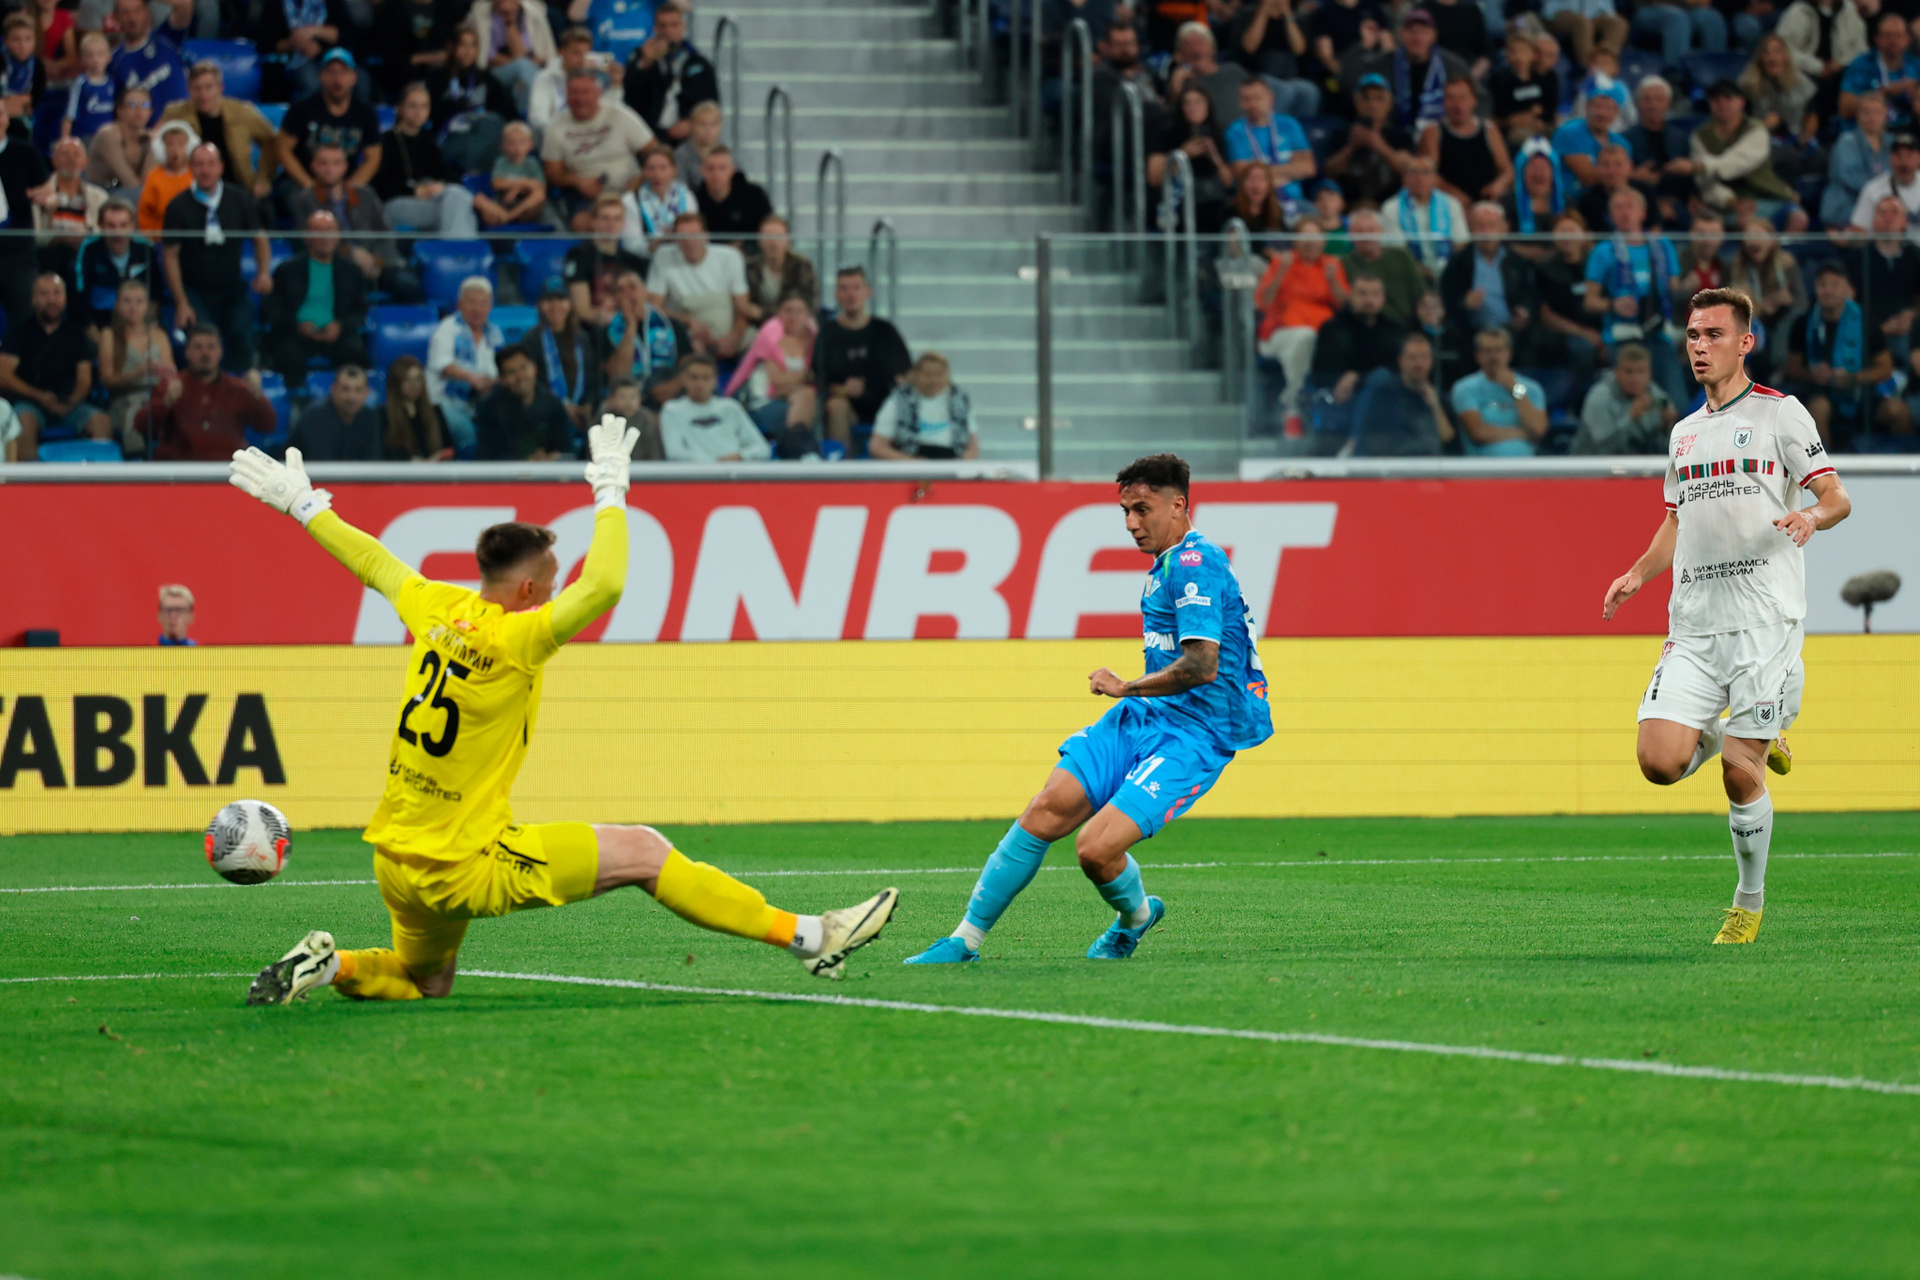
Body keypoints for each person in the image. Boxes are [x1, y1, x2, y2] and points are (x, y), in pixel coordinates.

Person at [230, 420, 899, 1005]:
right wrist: (611, 488)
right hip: (462, 863)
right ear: (528, 590)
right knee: (643, 851)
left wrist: (304, 505)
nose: (557, 595)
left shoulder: (432, 604)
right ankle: (812, 937)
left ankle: (331, 965)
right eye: (551, 584)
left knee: (425, 981)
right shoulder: (517, 639)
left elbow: (374, 563)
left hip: (395, 860)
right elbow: (604, 585)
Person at [903, 453, 1270, 965]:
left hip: (1196, 733)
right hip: (1149, 716)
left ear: (1178, 505)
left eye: (1142, 510)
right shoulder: (1167, 563)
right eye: (1125, 511)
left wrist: (1126, 687)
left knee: (1095, 849)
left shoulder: (1195, 563)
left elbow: (1202, 665)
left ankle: (1135, 919)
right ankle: (963, 941)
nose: (1131, 523)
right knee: (1046, 808)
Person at [1600, 286, 1852, 945]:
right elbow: (1675, 522)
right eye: (1692, 335)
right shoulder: (1683, 433)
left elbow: (1836, 496)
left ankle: (1747, 901)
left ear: (1745, 343)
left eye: (1713, 334)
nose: (1700, 346)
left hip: (1764, 620)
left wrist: (1810, 515)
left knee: (1741, 772)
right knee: (1658, 761)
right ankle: (1735, 732)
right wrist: (1637, 573)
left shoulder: (1781, 414)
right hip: (1693, 622)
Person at [161, 144, 271, 374]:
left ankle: (240, 388)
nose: (205, 170)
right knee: (202, 344)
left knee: (243, 336)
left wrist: (263, 272)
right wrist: (181, 302)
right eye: (199, 164)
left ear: (221, 167)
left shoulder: (240, 198)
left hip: (232, 288)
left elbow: (260, 239)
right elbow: (170, 256)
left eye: (211, 163)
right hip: (195, 291)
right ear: (191, 168)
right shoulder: (177, 206)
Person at [1583, 187, 1686, 404]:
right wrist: (1613, 305)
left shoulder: (1663, 246)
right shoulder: (1602, 251)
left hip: (1659, 333)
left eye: (1630, 206)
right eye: (1618, 208)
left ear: (1643, 213)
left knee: (1676, 402)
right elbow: (1590, 301)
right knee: (1631, 400)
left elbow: (1674, 292)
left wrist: (1687, 289)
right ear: (1611, 216)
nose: (1624, 212)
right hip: (1623, 335)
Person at [289, 142, 425, 304]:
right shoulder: (303, 201)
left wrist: (376, 260)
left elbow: (385, 233)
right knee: (349, 287)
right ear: (313, 166)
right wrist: (349, 253)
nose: (330, 169)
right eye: (323, 163)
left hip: (377, 264)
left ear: (345, 167)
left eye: (336, 163)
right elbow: (308, 243)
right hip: (338, 267)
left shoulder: (366, 195)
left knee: (408, 285)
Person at [1784, 262, 1896, 447]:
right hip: (1819, 391)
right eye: (1822, 284)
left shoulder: (1867, 321)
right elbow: (1792, 368)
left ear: (1847, 289)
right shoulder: (1803, 323)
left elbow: (1886, 368)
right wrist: (1813, 375)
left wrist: (1854, 377)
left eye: (1835, 285)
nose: (1828, 291)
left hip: (1861, 393)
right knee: (1818, 408)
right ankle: (1823, 462)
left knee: (1896, 411)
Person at [0, 272, 106, 460]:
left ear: (65, 298)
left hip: (70, 404)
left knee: (101, 421)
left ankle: (100, 476)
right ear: (33, 299)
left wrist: (70, 402)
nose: (51, 300)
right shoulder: (18, 333)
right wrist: (39, 397)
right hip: (30, 403)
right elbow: (4, 375)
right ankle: (31, 477)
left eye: (56, 293)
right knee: (23, 423)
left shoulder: (78, 335)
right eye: (44, 294)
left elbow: (84, 379)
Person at [1256, 217, 1348, 432]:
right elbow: (1263, 303)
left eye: (1315, 236)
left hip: (1321, 336)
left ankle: (1294, 409)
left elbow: (1345, 306)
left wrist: (1333, 281)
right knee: (1304, 337)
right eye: (1305, 236)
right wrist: (1280, 273)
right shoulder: (1281, 262)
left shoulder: (1332, 265)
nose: (1310, 242)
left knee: (1309, 341)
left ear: (1324, 241)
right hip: (1278, 334)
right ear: (1295, 240)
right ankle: (1296, 400)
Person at [138, 325, 275, 460]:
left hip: (226, 468)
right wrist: (166, 402)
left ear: (220, 352)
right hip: (181, 469)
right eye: (198, 347)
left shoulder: (237, 389)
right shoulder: (171, 387)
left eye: (211, 347)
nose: (205, 353)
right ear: (187, 352)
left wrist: (257, 396)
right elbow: (142, 427)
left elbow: (268, 426)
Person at [264, 210, 370, 384]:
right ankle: (297, 398)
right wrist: (297, 325)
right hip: (296, 334)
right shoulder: (287, 270)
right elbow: (272, 309)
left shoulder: (352, 272)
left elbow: (360, 310)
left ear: (338, 235)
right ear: (307, 236)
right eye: (318, 230)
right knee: (287, 355)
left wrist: (340, 326)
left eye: (329, 230)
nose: (325, 236)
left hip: (338, 335)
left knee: (355, 353)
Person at [816, 265, 912, 451]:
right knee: (836, 406)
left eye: (856, 287)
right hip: (846, 407)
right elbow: (820, 380)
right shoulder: (827, 334)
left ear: (868, 292)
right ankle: (842, 463)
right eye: (844, 288)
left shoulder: (885, 331)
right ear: (836, 295)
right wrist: (843, 390)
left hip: (883, 405)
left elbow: (904, 373)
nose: (850, 294)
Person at [542, 70, 654, 228]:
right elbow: (552, 173)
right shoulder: (555, 127)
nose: (580, 98)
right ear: (566, 95)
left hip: (631, 190)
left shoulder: (620, 115)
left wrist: (640, 179)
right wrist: (577, 181)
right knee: (582, 223)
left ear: (598, 93)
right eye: (574, 92)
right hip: (588, 197)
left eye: (586, 92)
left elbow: (655, 152)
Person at [372, 80, 480, 237]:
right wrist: (415, 190)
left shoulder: (428, 139)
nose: (418, 112)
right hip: (397, 203)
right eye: (413, 106)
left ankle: (456, 248)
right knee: (460, 207)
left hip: (428, 199)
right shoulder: (386, 140)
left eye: (424, 106)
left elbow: (445, 172)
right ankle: (461, 249)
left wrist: (440, 185)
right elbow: (380, 185)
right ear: (400, 108)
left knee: (456, 197)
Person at [1439, 201, 1542, 363]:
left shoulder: (1517, 261)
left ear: (1504, 228)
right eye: (1480, 226)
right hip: (1472, 333)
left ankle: (1517, 381)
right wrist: (1464, 304)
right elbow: (1446, 301)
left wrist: (1525, 311)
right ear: (1471, 228)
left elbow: (1531, 295)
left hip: (1511, 331)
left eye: (1491, 225)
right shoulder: (1459, 262)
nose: (1486, 232)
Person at [160, 61, 276, 200]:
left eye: (208, 87)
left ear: (220, 87)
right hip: (191, 191)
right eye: (197, 88)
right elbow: (157, 143)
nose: (203, 95)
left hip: (238, 189)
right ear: (189, 90)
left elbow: (271, 141)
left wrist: (263, 178)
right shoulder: (175, 114)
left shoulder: (241, 112)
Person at [1690, 81, 1801, 223]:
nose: (1722, 105)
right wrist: (1730, 201)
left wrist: (1700, 166)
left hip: (1767, 196)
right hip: (1726, 204)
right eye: (1716, 100)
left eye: (1728, 98)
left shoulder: (1756, 130)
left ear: (1741, 102)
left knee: (1798, 218)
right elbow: (1705, 182)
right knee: (1746, 224)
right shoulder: (1700, 136)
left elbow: (1737, 162)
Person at [279, 49, 382, 199]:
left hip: (346, 183)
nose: (337, 79)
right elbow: (283, 150)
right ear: (321, 76)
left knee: (369, 199)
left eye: (343, 72)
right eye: (332, 72)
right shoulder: (301, 109)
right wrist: (310, 186)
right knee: (299, 199)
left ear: (354, 77)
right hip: (303, 182)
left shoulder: (366, 113)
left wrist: (350, 188)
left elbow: (373, 157)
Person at [645, 210, 750, 358]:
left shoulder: (731, 257)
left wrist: (735, 336)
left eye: (694, 235)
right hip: (688, 332)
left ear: (706, 236)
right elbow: (653, 307)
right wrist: (687, 321)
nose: (689, 242)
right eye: (682, 237)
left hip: (729, 330)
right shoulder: (663, 256)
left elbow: (743, 309)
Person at [1356, 7, 1475, 135]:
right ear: (1401, 34)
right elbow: (1352, 84)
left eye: (1423, 32)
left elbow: (1479, 99)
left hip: (1441, 135)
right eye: (1411, 32)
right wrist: (1363, 46)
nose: (1417, 38)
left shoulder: (1454, 67)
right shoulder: (1382, 63)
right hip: (1392, 133)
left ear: (1434, 35)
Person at [723, 289, 816, 450]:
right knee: (807, 398)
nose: (793, 316)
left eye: (799, 311)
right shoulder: (769, 335)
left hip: (795, 399)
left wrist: (796, 381)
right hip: (762, 401)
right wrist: (804, 375)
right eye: (788, 310)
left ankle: (796, 448)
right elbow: (778, 382)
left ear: (807, 314)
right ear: (779, 312)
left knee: (811, 399)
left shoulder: (813, 338)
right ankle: (797, 450)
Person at [1308, 272, 1406, 416]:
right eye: (1362, 293)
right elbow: (1320, 373)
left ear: (1383, 298)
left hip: (1385, 399)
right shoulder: (1333, 328)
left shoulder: (1392, 329)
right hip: (1341, 400)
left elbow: (1397, 369)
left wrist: (1358, 377)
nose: (1369, 299)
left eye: (1375, 294)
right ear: (1351, 296)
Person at [427, 275, 503, 454]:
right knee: (468, 435)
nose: (477, 309)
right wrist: (473, 379)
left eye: (483, 303)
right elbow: (445, 366)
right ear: (459, 305)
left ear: (490, 306)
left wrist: (491, 382)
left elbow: (501, 369)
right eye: (471, 302)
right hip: (444, 401)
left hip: (480, 402)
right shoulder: (447, 328)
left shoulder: (494, 333)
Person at [516, 277, 603, 432]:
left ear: (570, 304)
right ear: (540, 305)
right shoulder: (531, 340)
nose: (555, 306)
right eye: (549, 300)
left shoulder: (582, 339)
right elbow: (531, 383)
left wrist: (588, 404)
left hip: (582, 411)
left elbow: (592, 378)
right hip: (546, 413)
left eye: (561, 299)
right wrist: (560, 406)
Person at [425, 25, 515, 175]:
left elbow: (506, 111)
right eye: (463, 45)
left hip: (483, 134)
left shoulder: (487, 78)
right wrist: (450, 108)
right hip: (451, 135)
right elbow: (430, 114)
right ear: (452, 47)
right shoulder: (437, 78)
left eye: (473, 46)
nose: (468, 51)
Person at [96, 275, 171, 452]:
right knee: (136, 415)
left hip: (157, 397)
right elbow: (107, 381)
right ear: (117, 305)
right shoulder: (109, 336)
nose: (133, 307)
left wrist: (162, 373)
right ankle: (136, 457)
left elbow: (170, 372)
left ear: (147, 306)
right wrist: (136, 374)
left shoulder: (159, 335)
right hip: (125, 400)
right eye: (127, 301)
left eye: (139, 301)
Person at [623, 1, 715, 142]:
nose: (668, 31)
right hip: (647, 136)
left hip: (687, 137)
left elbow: (711, 103)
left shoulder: (697, 62)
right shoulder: (640, 56)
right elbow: (630, 97)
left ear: (683, 27)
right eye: (663, 26)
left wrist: (692, 122)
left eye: (674, 25)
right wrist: (645, 64)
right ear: (655, 28)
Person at [1449, 325, 1549, 456]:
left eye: (1499, 350)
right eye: (1487, 351)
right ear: (1477, 355)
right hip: (1483, 465)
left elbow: (1538, 430)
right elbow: (1478, 433)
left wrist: (1514, 388)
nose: (1494, 356)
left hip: (1525, 465)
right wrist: (1523, 434)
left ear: (1509, 354)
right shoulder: (1464, 388)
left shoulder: (1531, 388)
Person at [602, 268, 691, 414]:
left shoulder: (671, 324)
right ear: (616, 298)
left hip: (668, 394)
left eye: (632, 287)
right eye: (621, 290)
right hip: (628, 401)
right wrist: (630, 326)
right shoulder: (606, 331)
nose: (628, 294)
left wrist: (675, 385)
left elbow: (691, 363)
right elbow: (618, 373)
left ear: (645, 292)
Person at [1351, 329, 1455, 455]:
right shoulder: (1384, 394)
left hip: (1429, 463)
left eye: (1424, 358)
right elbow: (1371, 438)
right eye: (1412, 358)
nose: (1419, 364)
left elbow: (1447, 438)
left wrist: (1435, 406)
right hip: (1395, 462)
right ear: (1401, 361)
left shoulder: (1438, 397)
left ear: (1431, 361)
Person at [1148, 84, 1233, 233]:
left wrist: (1215, 157)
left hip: (1213, 204)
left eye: (1198, 102)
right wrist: (1184, 153)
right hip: (1178, 205)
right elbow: (1154, 178)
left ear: (1208, 106)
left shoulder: (1220, 134)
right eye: (1187, 103)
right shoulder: (1166, 132)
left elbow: (1228, 182)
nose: (1192, 107)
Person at [1848, 193, 1920, 367]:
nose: (1888, 218)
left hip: (1910, 332)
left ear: (1904, 222)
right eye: (1882, 212)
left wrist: (1912, 315)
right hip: (1869, 333)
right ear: (1873, 220)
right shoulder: (1857, 259)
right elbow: (1849, 302)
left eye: (1894, 213)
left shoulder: (1915, 256)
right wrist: (1878, 327)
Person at [1728, 215, 1805, 380]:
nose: (1753, 241)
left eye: (1758, 235)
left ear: (1771, 240)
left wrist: (1789, 301)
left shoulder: (1786, 264)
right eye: (1749, 236)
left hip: (1785, 324)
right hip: (1756, 325)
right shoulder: (1738, 267)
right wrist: (1765, 305)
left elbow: (1803, 304)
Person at [659, 352, 771, 462]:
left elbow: (762, 448)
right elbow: (674, 453)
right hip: (696, 472)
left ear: (715, 381)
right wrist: (714, 463)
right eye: (694, 378)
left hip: (733, 470)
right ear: (683, 379)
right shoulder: (672, 410)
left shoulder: (730, 407)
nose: (700, 383)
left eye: (706, 378)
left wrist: (742, 456)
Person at [1324, 73, 1413, 210]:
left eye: (1379, 98)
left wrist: (1379, 145)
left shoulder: (1402, 137)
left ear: (1390, 103)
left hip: (1392, 209)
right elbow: (1328, 173)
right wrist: (1350, 147)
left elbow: (1411, 173)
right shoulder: (1341, 135)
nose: (1372, 105)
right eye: (1366, 98)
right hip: (1349, 208)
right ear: (1356, 102)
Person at [1222, 76, 1316, 204]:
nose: (1252, 104)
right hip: (1257, 203)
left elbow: (1308, 167)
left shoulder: (1289, 124)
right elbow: (1241, 172)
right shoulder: (1235, 131)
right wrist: (1288, 173)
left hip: (1294, 201)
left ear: (1270, 99)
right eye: (1246, 99)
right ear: (1240, 103)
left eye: (1257, 98)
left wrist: (1261, 174)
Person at [1571, 341, 1677, 453]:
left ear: (1649, 373)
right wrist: (1631, 418)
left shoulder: (1656, 396)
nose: (1635, 378)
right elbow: (1602, 448)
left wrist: (1666, 428)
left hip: (1636, 462)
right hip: (1589, 462)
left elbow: (1663, 450)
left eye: (1641, 371)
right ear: (1617, 372)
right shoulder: (1600, 397)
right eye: (1628, 371)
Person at [1420, 75, 1512, 205]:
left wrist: (1498, 185)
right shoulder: (1433, 132)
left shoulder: (1489, 129)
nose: (1457, 105)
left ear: (1474, 100)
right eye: (1451, 98)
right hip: (1447, 203)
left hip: (1485, 202)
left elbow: (1507, 171)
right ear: (1444, 102)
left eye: (1462, 98)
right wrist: (1454, 195)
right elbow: (1429, 174)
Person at [475, 344, 576, 460]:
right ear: (502, 379)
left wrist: (555, 457)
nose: (520, 376)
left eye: (524, 367)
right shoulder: (490, 409)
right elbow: (487, 456)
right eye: (511, 372)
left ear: (535, 368)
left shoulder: (553, 404)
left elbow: (568, 451)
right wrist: (525, 461)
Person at [869, 352, 975, 461]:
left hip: (951, 461)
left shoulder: (959, 401)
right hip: (910, 462)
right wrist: (910, 462)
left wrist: (962, 463)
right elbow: (877, 447)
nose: (933, 381)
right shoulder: (898, 400)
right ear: (915, 375)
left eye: (939, 375)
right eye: (928, 375)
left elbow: (973, 447)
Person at [30, 135, 106, 283]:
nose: (71, 160)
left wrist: (86, 234)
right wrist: (57, 237)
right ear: (53, 160)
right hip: (48, 258)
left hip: (87, 256)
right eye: (64, 154)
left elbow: (107, 232)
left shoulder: (99, 197)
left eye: (76, 154)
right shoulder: (39, 195)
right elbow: (32, 235)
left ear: (85, 162)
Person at [565, 192, 649, 324]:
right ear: (593, 221)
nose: (611, 224)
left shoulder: (635, 261)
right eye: (605, 218)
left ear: (623, 223)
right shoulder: (579, 255)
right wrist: (619, 321)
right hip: (596, 328)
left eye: (617, 218)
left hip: (631, 327)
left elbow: (643, 307)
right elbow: (582, 311)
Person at [1229, 0, 1320, 118]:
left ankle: (1298, 127)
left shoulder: (1298, 16)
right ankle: (1273, 126)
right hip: (1260, 75)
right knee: (1284, 91)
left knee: (1310, 91)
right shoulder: (1248, 14)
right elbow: (1249, 47)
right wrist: (1263, 11)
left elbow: (1299, 49)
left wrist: (1287, 13)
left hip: (1290, 76)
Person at [1626, 75, 1696, 223]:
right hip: (1639, 204)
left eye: (1659, 99)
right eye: (1647, 99)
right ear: (1637, 104)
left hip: (1679, 204)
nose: (1653, 105)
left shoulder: (1681, 139)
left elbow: (1690, 180)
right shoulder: (1625, 139)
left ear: (1667, 104)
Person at [75, 198, 152, 333]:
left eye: (123, 225)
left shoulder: (146, 249)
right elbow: (80, 298)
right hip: (100, 325)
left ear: (133, 225)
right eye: (111, 226)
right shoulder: (89, 249)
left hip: (140, 326)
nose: (117, 232)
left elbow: (156, 295)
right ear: (101, 225)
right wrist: (96, 336)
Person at [1340, 207, 1427, 324]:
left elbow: (1421, 292)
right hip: (1363, 325)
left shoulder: (1401, 256)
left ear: (1381, 231)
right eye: (1359, 231)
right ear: (1350, 234)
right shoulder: (1345, 263)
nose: (1365, 236)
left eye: (1370, 230)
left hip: (1405, 324)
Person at [470, 0, 556, 118]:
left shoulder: (532, 13)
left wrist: (510, 21)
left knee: (523, 75)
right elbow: (490, 58)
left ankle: (528, 115)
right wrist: (526, 60)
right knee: (522, 66)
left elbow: (525, 54)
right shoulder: (481, 15)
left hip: (529, 71)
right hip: (493, 74)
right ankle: (532, 115)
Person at [1380, 156, 1467, 271]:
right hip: (1409, 269)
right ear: (1404, 179)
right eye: (1414, 173)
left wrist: (1449, 269)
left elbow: (1461, 243)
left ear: (1435, 178)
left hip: (1448, 268)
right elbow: (1396, 249)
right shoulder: (1391, 207)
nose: (1420, 178)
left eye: (1425, 173)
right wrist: (1419, 270)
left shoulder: (1451, 204)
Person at [532, 25, 619, 138]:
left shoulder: (594, 78)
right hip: (555, 138)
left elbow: (609, 113)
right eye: (576, 53)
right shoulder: (545, 77)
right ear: (562, 52)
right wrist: (565, 136)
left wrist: (616, 85)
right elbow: (538, 119)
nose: (582, 59)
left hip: (590, 137)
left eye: (585, 53)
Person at [1840, 11, 1920, 131]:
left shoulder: (1915, 64)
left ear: (1907, 39)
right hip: (1869, 132)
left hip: (1910, 131)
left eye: (1898, 35)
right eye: (1888, 36)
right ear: (1877, 38)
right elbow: (1844, 109)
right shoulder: (1862, 64)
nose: (1893, 41)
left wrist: (1915, 92)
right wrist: (1881, 94)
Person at [1161, 22, 1250, 129]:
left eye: (1201, 43)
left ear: (1213, 48)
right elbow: (1174, 119)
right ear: (1180, 54)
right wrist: (1176, 86)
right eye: (1188, 46)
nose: (1196, 50)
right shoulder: (1182, 81)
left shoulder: (1234, 71)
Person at [258, 0, 350, 102]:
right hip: (292, 60)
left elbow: (346, 34)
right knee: (311, 81)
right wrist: (296, 43)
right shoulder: (276, 3)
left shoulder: (331, 3)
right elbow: (266, 42)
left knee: (356, 80)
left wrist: (313, 31)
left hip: (330, 58)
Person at [105, 0, 185, 116]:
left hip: (183, 121)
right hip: (147, 127)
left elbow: (184, 4)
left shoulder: (166, 37)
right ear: (116, 18)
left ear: (147, 12)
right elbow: (116, 108)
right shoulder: (113, 61)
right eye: (126, 13)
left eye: (137, 11)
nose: (132, 18)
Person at [1825, 88, 1890, 230]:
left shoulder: (1892, 144)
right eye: (1866, 112)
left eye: (1877, 112)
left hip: (1882, 207)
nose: (1872, 118)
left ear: (1885, 116)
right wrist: (1884, 196)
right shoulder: (1847, 141)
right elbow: (1851, 179)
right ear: (1857, 116)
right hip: (1847, 207)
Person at [288, 362, 381, 461]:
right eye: (345, 389)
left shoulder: (370, 417)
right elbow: (321, 463)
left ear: (367, 392)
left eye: (358, 390)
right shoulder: (315, 416)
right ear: (333, 389)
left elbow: (373, 460)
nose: (351, 397)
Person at [1488, 26, 1561, 147]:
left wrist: (1542, 120)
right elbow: (1498, 114)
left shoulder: (1542, 78)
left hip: (1540, 124)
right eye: (1513, 51)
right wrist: (1520, 117)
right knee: (1525, 138)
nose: (1519, 56)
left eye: (1524, 51)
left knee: (1562, 134)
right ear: (1507, 56)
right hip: (1515, 130)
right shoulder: (1500, 79)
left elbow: (1550, 106)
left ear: (1534, 55)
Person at [1552, 91, 1629, 195]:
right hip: (1572, 200)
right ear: (1587, 107)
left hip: (1610, 199)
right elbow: (1588, 177)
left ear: (1616, 112)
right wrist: (1634, 175)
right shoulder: (1569, 132)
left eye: (1609, 108)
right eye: (1598, 107)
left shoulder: (1622, 143)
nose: (1603, 113)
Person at [692, 146, 772, 247]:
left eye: (722, 168)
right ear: (701, 170)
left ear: (733, 170)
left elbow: (767, 228)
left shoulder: (754, 196)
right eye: (710, 168)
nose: (716, 174)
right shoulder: (693, 199)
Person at [743, 214, 815, 321]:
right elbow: (748, 308)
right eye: (768, 236)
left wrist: (763, 313)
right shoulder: (750, 268)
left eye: (779, 236)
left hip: (795, 323)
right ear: (759, 241)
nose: (773, 242)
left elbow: (809, 304)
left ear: (788, 241)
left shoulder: (802, 266)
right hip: (758, 325)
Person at [383, 354, 453, 461]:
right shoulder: (384, 414)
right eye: (407, 380)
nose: (414, 385)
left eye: (418, 379)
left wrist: (439, 458)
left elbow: (449, 448)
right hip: (400, 471)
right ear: (396, 383)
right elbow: (383, 453)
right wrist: (411, 461)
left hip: (435, 469)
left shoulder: (435, 411)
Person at [1572, 143, 1657, 232]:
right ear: (1596, 167)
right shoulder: (1587, 202)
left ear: (1630, 166)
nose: (1612, 171)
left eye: (1618, 164)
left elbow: (1655, 229)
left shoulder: (1646, 192)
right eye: (1606, 165)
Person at [1847, 129, 1920, 231]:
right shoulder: (1873, 189)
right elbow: (1858, 230)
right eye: (1898, 155)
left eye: (1909, 155)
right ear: (1890, 158)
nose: (1904, 162)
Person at [1631, 0, 1737, 67]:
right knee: (1677, 19)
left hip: (1687, 11)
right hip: (1648, 9)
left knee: (1712, 18)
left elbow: (1704, 2)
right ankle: (1676, 74)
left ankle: (1716, 72)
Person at [480, 121, 547, 226]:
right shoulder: (501, 162)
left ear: (530, 144)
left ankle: (509, 217)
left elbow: (539, 186)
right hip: (502, 202)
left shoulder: (532, 163)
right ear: (503, 145)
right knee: (478, 199)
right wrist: (525, 183)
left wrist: (516, 190)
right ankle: (502, 217)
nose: (517, 147)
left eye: (522, 142)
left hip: (524, 205)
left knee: (539, 195)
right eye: (512, 143)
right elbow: (496, 183)